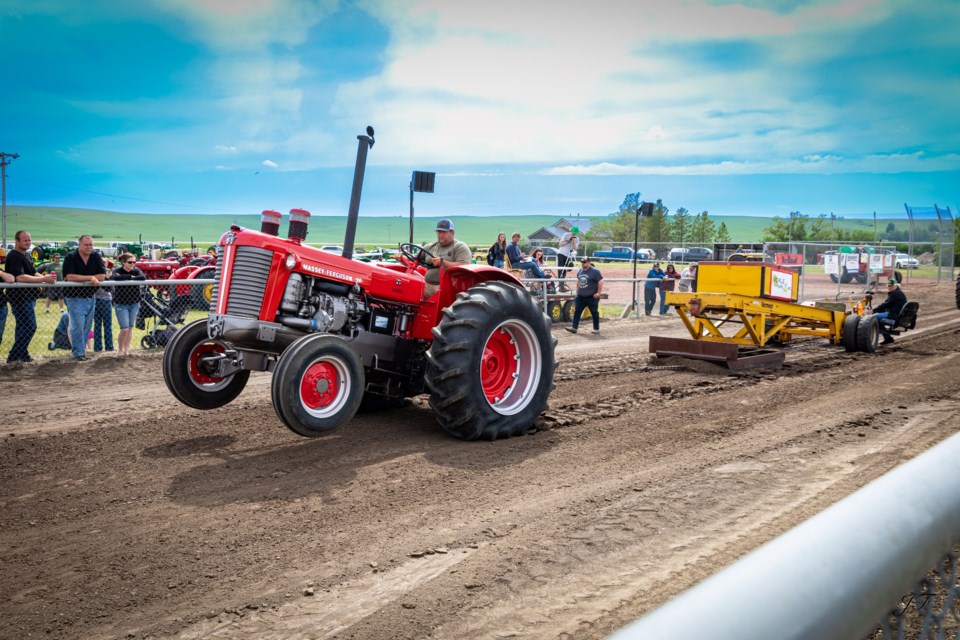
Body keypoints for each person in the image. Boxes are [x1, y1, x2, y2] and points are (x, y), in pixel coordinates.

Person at [4, 230, 57, 362]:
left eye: (29, 240)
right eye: (25, 240)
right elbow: (20, 277)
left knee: (22, 327)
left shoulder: (26, 254)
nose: (28, 243)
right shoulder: (14, 256)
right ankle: (14, 356)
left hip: (29, 297)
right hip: (20, 298)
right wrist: (43, 280)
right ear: (17, 241)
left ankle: (22, 354)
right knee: (30, 326)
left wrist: (46, 277)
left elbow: (33, 273)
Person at [62, 234, 107, 361]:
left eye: (91, 245)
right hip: (74, 296)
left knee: (87, 325)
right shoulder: (71, 257)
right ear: (79, 245)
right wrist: (90, 278)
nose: (89, 247)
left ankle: (81, 352)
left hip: (90, 296)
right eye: (86, 245)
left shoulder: (96, 256)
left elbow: (102, 276)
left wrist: (84, 278)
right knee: (78, 325)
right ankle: (78, 353)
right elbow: (69, 276)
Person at [421, 219, 472, 299]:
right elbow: (413, 261)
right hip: (427, 285)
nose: (440, 235)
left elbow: (465, 266)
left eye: (444, 232)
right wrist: (402, 259)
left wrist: (443, 263)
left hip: (448, 288)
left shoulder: (459, 247)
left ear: (452, 232)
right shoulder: (429, 247)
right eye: (439, 232)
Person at [109, 252, 146, 356]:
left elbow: (143, 277)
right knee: (124, 328)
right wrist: (132, 277)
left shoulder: (136, 270)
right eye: (130, 262)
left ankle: (126, 350)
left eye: (134, 262)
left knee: (130, 327)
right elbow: (116, 277)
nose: (132, 264)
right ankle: (120, 350)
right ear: (123, 262)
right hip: (121, 303)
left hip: (134, 302)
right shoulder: (117, 270)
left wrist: (129, 277)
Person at [564, 256, 603, 335]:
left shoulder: (595, 271)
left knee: (594, 312)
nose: (583, 264)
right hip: (581, 296)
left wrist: (598, 293)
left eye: (584, 262)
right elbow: (578, 281)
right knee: (577, 311)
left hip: (592, 296)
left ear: (588, 262)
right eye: (582, 262)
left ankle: (596, 328)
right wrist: (577, 292)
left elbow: (600, 282)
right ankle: (574, 327)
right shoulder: (580, 271)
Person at [871, 278, 907, 345]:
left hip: (894, 315)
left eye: (891, 286)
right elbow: (887, 305)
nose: (889, 287)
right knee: (877, 318)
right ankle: (888, 338)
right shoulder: (898, 293)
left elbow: (885, 304)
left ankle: (871, 338)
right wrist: (877, 310)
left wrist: (873, 311)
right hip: (896, 314)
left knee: (873, 317)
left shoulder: (895, 294)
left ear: (896, 286)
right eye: (889, 286)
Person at [557, 226, 580, 292]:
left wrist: (574, 241)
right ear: (571, 230)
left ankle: (562, 284)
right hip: (561, 253)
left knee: (567, 268)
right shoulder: (566, 235)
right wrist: (568, 240)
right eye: (573, 233)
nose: (574, 234)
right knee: (561, 269)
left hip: (568, 255)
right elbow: (560, 244)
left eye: (575, 233)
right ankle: (561, 285)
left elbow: (575, 249)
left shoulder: (577, 238)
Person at [93, 281, 114, 353]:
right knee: (98, 325)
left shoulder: (107, 272)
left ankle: (108, 347)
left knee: (106, 325)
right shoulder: (94, 274)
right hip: (96, 300)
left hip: (105, 300)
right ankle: (101, 347)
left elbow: (109, 288)